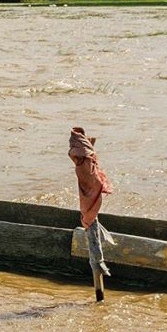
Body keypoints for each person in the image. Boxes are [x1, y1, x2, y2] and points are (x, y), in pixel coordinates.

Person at [68, 126, 117, 298]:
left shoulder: (84, 162)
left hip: (89, 198)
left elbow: (92, 175)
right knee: (90, 222)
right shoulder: (82, 164)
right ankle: (98, 262)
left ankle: (99, 262)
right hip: (88, 199)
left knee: (90, 222)